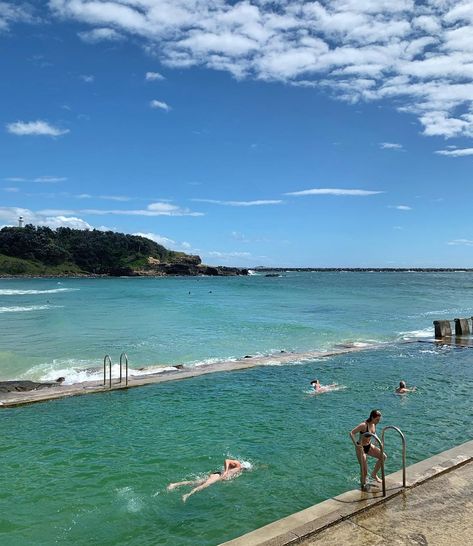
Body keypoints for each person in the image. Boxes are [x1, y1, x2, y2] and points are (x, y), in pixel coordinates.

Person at [167, 459, 245, 502]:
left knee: (195, 482)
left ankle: (174, 484)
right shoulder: (238, 465)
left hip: (216, 476)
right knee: (204, 486)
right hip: (217, 476)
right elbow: (226, 460)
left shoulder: (239, 471)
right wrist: (225, 471)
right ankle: (187, 495)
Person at [349, 409, 387, 489]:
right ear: (372, 417)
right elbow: (352, 433)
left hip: (369, 446)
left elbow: (373, 433)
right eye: (377, 419)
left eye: (379, 420)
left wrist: (377, 440)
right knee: (364, 471)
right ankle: (363, 486)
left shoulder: (373, 424)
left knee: (383, 457)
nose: (378, 421)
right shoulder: (363, 425)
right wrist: (356, 444)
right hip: (361, 448)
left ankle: (374, 474)